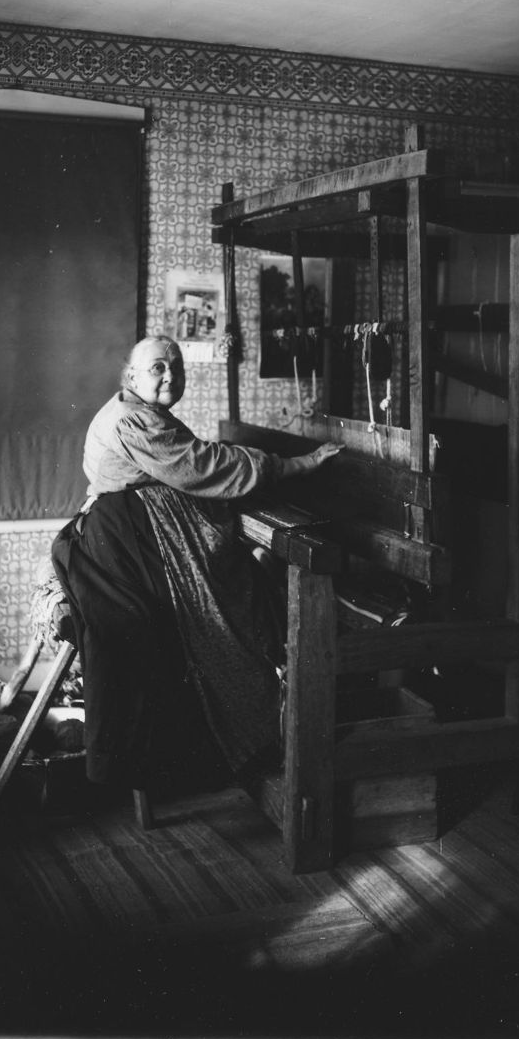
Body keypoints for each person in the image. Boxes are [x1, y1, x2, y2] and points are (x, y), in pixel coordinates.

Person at [50, 335, 342, 796]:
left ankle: (250, 734)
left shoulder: (138, 411)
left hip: (126, 537)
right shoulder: (133, 422)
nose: (169, 375)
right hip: (122, 548)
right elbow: (202, 466)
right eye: (157, 368)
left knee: (235, 591)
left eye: (176, 368)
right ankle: (255, 737)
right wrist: (296, 466)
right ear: (132, 377)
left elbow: (195, 462)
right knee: (224, 616)